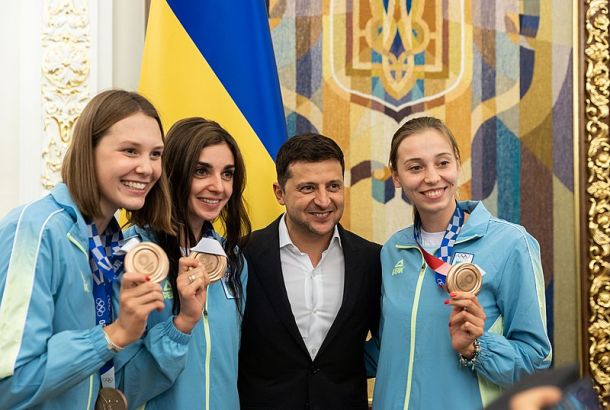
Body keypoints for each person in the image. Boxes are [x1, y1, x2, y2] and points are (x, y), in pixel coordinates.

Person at [0, 90, 191, 408]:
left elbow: (122, 388)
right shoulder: (37, 229)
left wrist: (184, 322)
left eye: (156, 154)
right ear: (88, 151)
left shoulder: (117, 248)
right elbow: (11, 383)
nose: (147, 168)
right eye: (130, 151)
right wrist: (111, 336)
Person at [368, 116, 552, 409]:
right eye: (415, 167)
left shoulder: (511, 243)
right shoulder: (394, 250)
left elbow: (535, 364)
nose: (431, 177)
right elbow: (386, 347)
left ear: (457, 163)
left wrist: (475, 348)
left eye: (442, 163)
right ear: (396, 177)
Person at [238, 133, 381, 409]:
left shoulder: (372, 259)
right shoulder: (242, 255)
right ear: (279, 193)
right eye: (308, 188)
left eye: (333, 186)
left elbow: (390, 338)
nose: (324, 200)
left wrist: (347, 364)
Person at [126, 117, 251, 409]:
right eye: (201, 171)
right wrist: (181, 327)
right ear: (174, 173)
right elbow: (123, 387)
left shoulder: (233, 260)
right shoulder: (130, 253)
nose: (218, 187)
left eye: (228, 173)